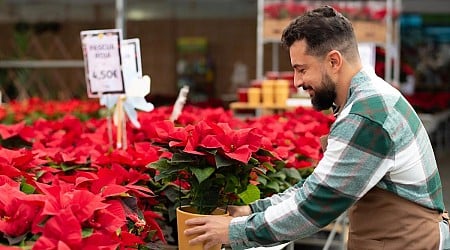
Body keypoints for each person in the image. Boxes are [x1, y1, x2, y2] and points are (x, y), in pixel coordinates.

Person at [184, 6, 449, 250]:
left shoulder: (367, 116)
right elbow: (317, 186)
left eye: (302, 69)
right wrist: (253, 209)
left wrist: (233, 231)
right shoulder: (368, 100)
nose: (297, 81)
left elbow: (316, 206)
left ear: (334, 62)